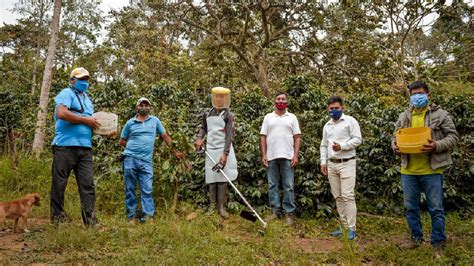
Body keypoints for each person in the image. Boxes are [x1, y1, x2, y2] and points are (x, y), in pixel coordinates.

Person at [392, 81, 458, 251]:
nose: (417, 97)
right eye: (413, 94)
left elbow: (453, 136)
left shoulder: (441, 115)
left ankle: (438, 241)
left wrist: (436, 145)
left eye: (420, 93)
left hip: (432, 169)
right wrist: (396, 146)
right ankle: (415, 238)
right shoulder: (404, 116)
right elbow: (395, 136)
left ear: (428, 95)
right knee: (411, 207)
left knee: (435, 208)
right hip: (408, 169)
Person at [51, 67, 102, 226]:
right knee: (59, 184)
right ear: (72, 80)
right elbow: (61, 113)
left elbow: (90, 122)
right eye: (81, 79)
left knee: (87, 185)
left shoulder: (87, 99)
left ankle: (90, 221)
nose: (85, 82)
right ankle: (58, 220)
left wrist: (105, 130)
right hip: (65, 146)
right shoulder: (66, 93)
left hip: (85, 148)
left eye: (86, 79)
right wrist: (85, 121)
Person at [120, 97, 183, 224]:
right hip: (130, 159)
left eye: (146, 105)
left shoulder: (155, 121)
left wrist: (175, 151)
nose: (144, 107)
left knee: (147, 189)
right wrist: (134, 149)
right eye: (141, 105)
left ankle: (147, 217)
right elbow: (122, 141)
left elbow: (165, 136)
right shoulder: (130, 123)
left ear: (149, 107)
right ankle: (131, 218)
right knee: (130, 189)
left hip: (146, 161)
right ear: (137, 107)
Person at [320, 95, 362, 240]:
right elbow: (324, 145)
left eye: (337, 108)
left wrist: (342, 146)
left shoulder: (350, 121)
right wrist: (323, 162)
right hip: (332, 164)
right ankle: (343, 226)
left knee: (348, 196)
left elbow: (357, 139)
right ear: (328, 109)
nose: (334, 111)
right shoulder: (327, 125)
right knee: (337, 196)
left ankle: (352, 229)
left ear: (342, 108)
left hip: (347, 162)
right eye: (331, 109)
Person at [195, 87, 237, 219]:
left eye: (222, 97)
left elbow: (229, 136)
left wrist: (225, 154)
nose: (219, 99)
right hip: (210, 150)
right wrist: (199, 138)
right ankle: (212, 206)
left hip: (223, 149)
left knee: (222, 178)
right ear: (213, 97)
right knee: (211, 178)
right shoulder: (207, 114)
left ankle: (221, 207)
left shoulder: (228, 115)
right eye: (217, 96)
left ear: (225, 99)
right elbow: (203, 128)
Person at [260, 92, 301, 225]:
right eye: (278, 99)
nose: (281, 101)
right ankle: (275, 211)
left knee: (288, 185)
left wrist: (295, 155)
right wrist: (264, 154)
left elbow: (297, 137)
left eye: (283, 99)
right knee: (273, 185)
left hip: (288, 156)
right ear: (274, 101)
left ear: (286, 101)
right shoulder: (268, 117)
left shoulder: (292, 117)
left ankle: (289, 213)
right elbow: (263, 136)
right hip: (271, 156)